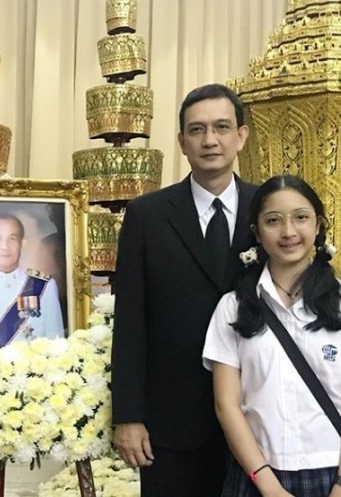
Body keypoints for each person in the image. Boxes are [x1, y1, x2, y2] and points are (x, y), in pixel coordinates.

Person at [111, 83, 257, 496]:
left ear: (241, 136)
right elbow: (131, 321)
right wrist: (129, 416)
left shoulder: (268, 209)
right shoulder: (147, 215)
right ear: (181, 142)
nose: (210, 140)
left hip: (256, 416)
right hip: (170, 423)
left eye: (222, 127)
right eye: (197, 130)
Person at [203, 175, 341, 497]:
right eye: (273, 221)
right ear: (256, 232)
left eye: (301, 217)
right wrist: (268, 486)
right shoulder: (233, 307)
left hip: (332, 472)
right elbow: (227, 405)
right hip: (258, 475)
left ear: (318, 225)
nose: (289, 232)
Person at [0, 212, 64, 352]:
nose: (5, 246)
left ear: (22, 244)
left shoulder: (45, 286)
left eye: (12, 239)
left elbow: (56, 343)